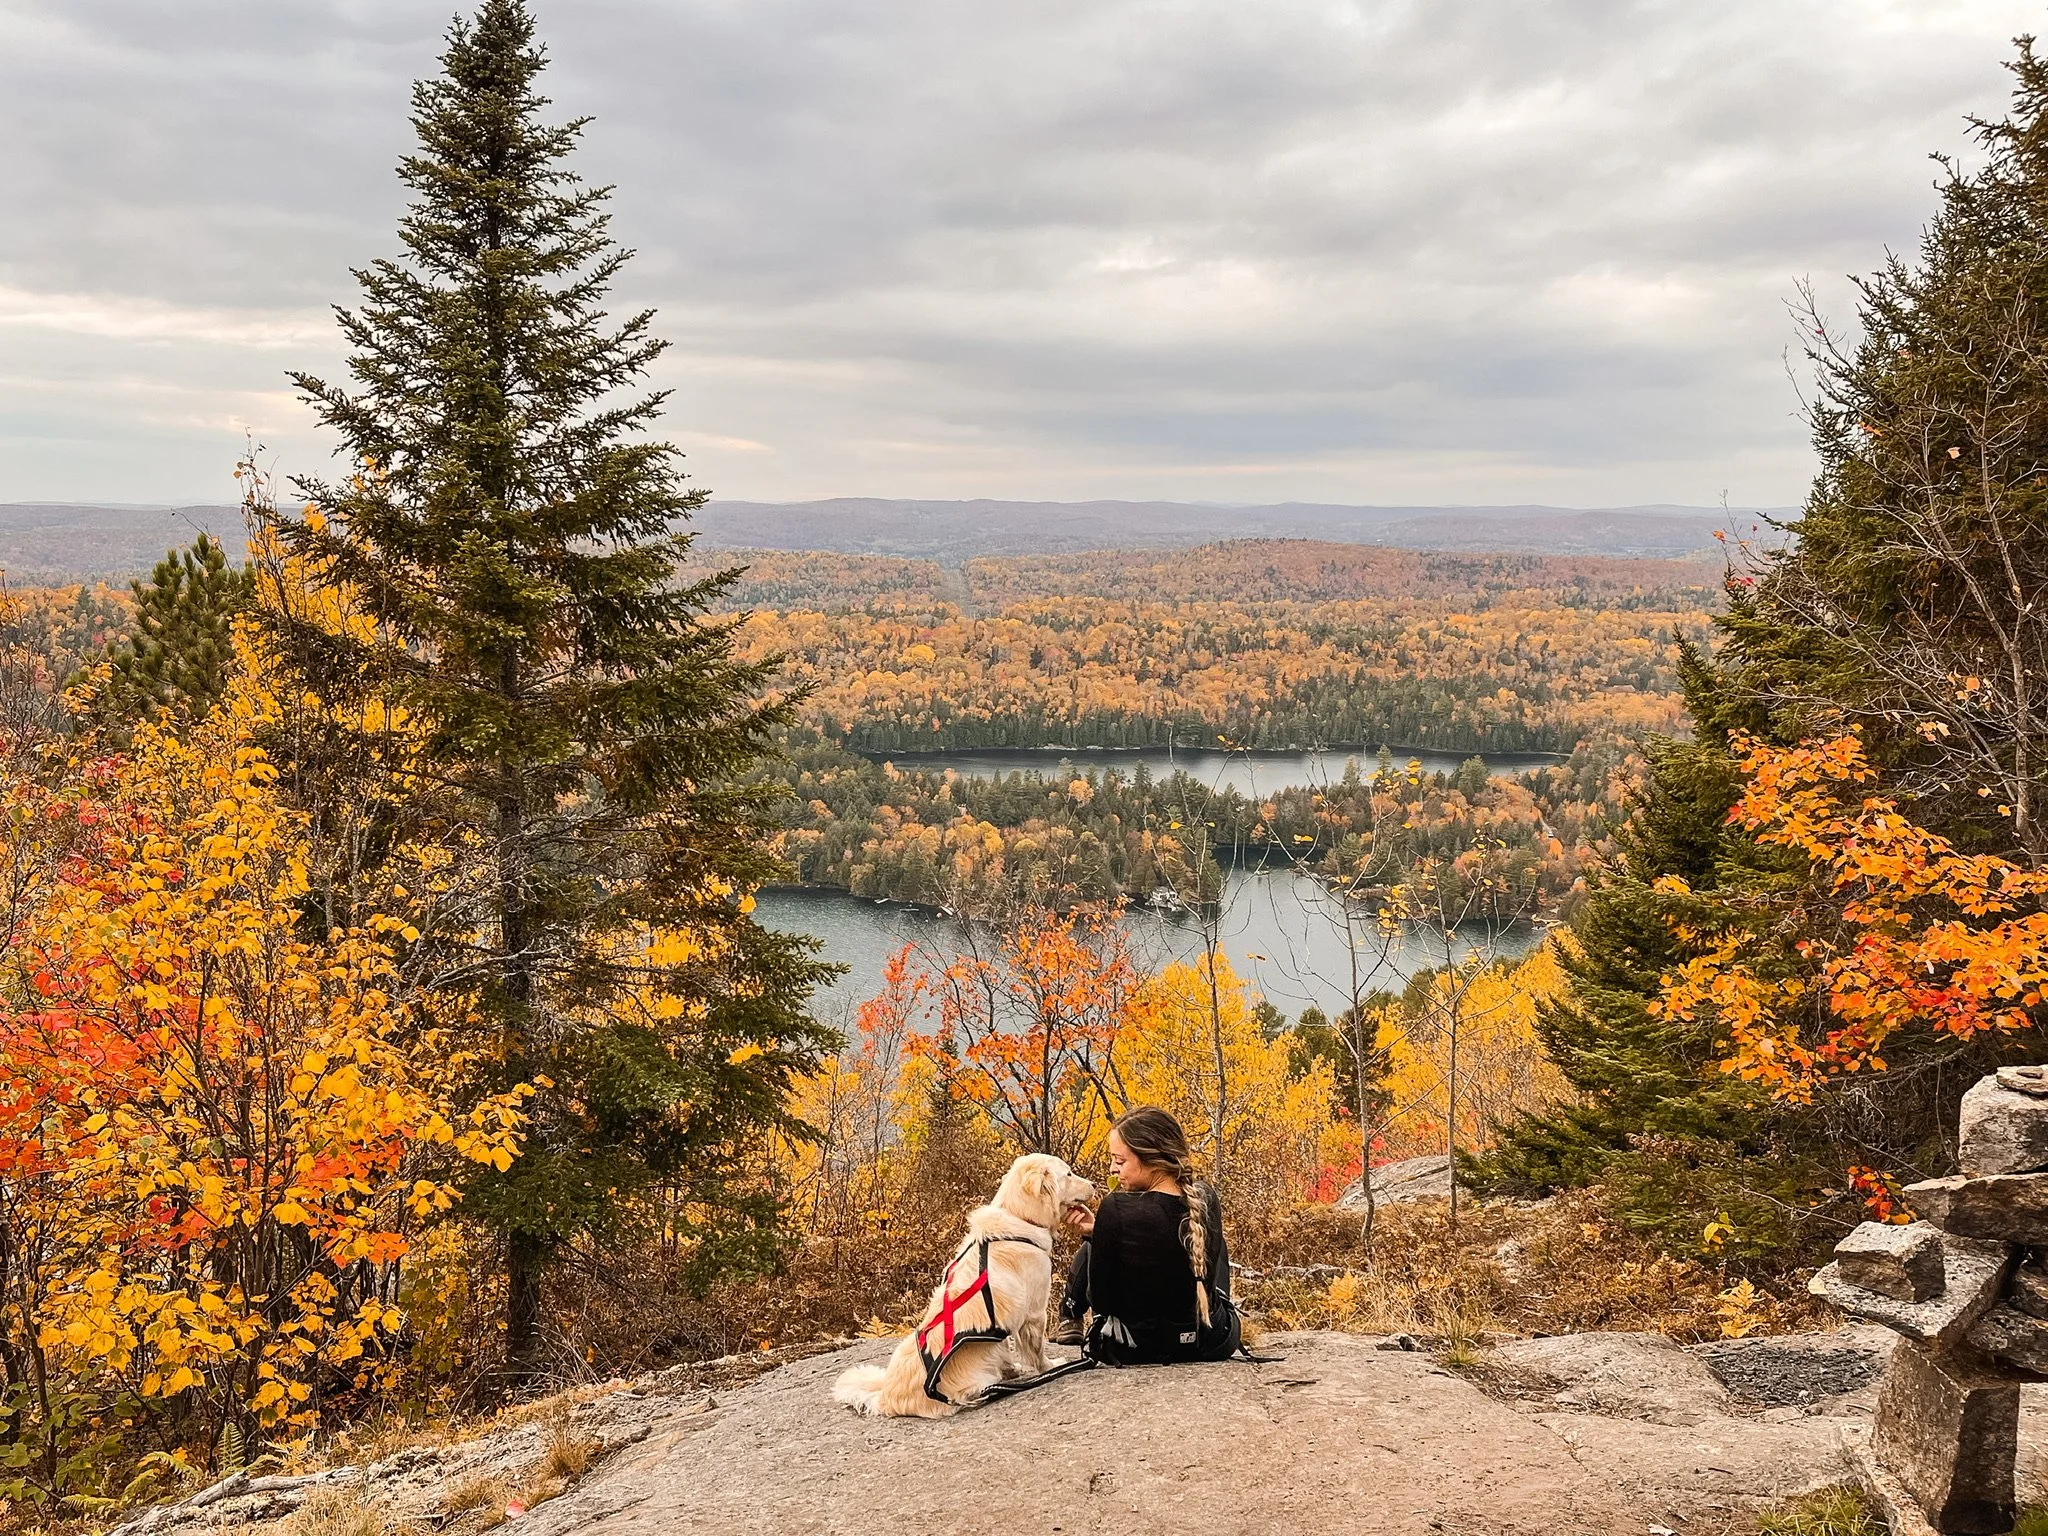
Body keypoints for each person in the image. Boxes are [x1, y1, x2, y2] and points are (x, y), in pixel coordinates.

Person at [1053, 1104, 1240, 1364]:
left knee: (1093, 1244)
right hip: (1208, 1343)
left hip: (1132, 1349)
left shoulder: (1115, 1207)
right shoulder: (1204, 1197)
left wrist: (1100, 1237)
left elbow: (1102, 1303)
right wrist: (1103, 1231)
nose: (1112, 1169)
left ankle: (1068, 1314)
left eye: (1119, 1161)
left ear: (1152, 1160)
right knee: (1208, 1235)